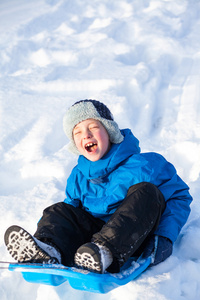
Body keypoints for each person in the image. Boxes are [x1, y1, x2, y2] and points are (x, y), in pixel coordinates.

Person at [4, 99, 192, 274]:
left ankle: (105, 252)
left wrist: (164, 236)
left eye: (93, 127)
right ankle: (49, 250)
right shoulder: (78, 175)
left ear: (110, 131)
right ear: (75, 143)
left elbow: (179, 196)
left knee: (146, 192)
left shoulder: (146, 165)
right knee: (61, 210)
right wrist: (57, 230)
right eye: (77, 132)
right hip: (91, 247)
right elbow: (70, 219)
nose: (86, 135)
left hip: (137, 236)